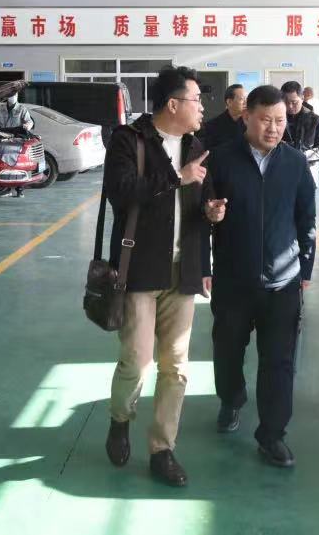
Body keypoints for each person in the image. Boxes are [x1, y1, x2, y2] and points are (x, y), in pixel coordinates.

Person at [102, 66, 211, 487]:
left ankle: (162, 449)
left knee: (176, 366)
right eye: (196, 100)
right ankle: (120, 418)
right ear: (173, 104)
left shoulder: (197, 146)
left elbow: (200, 205)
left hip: (183, 272)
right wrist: (176, 179)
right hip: (140, 270)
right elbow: (122, 192)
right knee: (136, 360)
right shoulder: (129, 140)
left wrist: (212, 212)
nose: (202, 108)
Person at [203, 85, 317, 469]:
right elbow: (202, 214)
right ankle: (231, 398)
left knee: (279, 361)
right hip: (233, 280)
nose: (273, 128)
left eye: (280, 121)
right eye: (265, 120)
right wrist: (210, 216)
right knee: (228, 349)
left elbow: (306, 218)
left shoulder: (295, 162)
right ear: (246, 117)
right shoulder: (221, 160)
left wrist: (305, 269)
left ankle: (272, 434)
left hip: (282, 283)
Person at [280, 81, 319, 186]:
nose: (290, 106)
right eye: (286, 102)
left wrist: (303, 155)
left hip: (307, 174)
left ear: (302, 98)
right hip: (281, 175)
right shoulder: (276, 119)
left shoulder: (315, 120)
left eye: (294, 102)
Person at [0, 92, 35, 196]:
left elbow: (29, 121)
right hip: (2, 138)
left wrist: (28, 125)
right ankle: (6, 189)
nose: (11, 97)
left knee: (17, 163)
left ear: (17, 96)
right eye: (10, 96)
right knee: (4, 162)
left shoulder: (22, 108)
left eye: (13, 95)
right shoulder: (0, 108)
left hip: (16, 140)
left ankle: (19, 189)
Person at [198, 84, 247, 150]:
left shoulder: (250, 123)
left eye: (246, 99)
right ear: (229, 102)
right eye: (242, 99)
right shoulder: (211, 126)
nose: (246, 102)